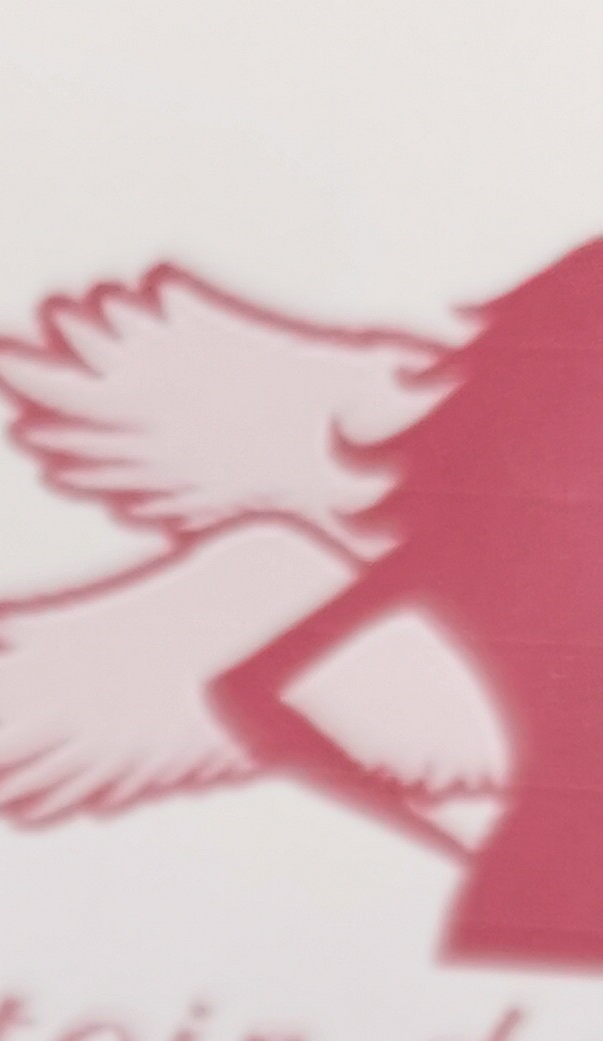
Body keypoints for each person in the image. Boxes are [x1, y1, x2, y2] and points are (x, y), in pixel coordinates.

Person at [211, 239, 603, 969]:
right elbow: (248, 689)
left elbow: (248, 689)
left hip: (533, 886)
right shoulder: (483, 549)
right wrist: (417, 823)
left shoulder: (460, 550)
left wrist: (422, 824)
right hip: (548, 900)